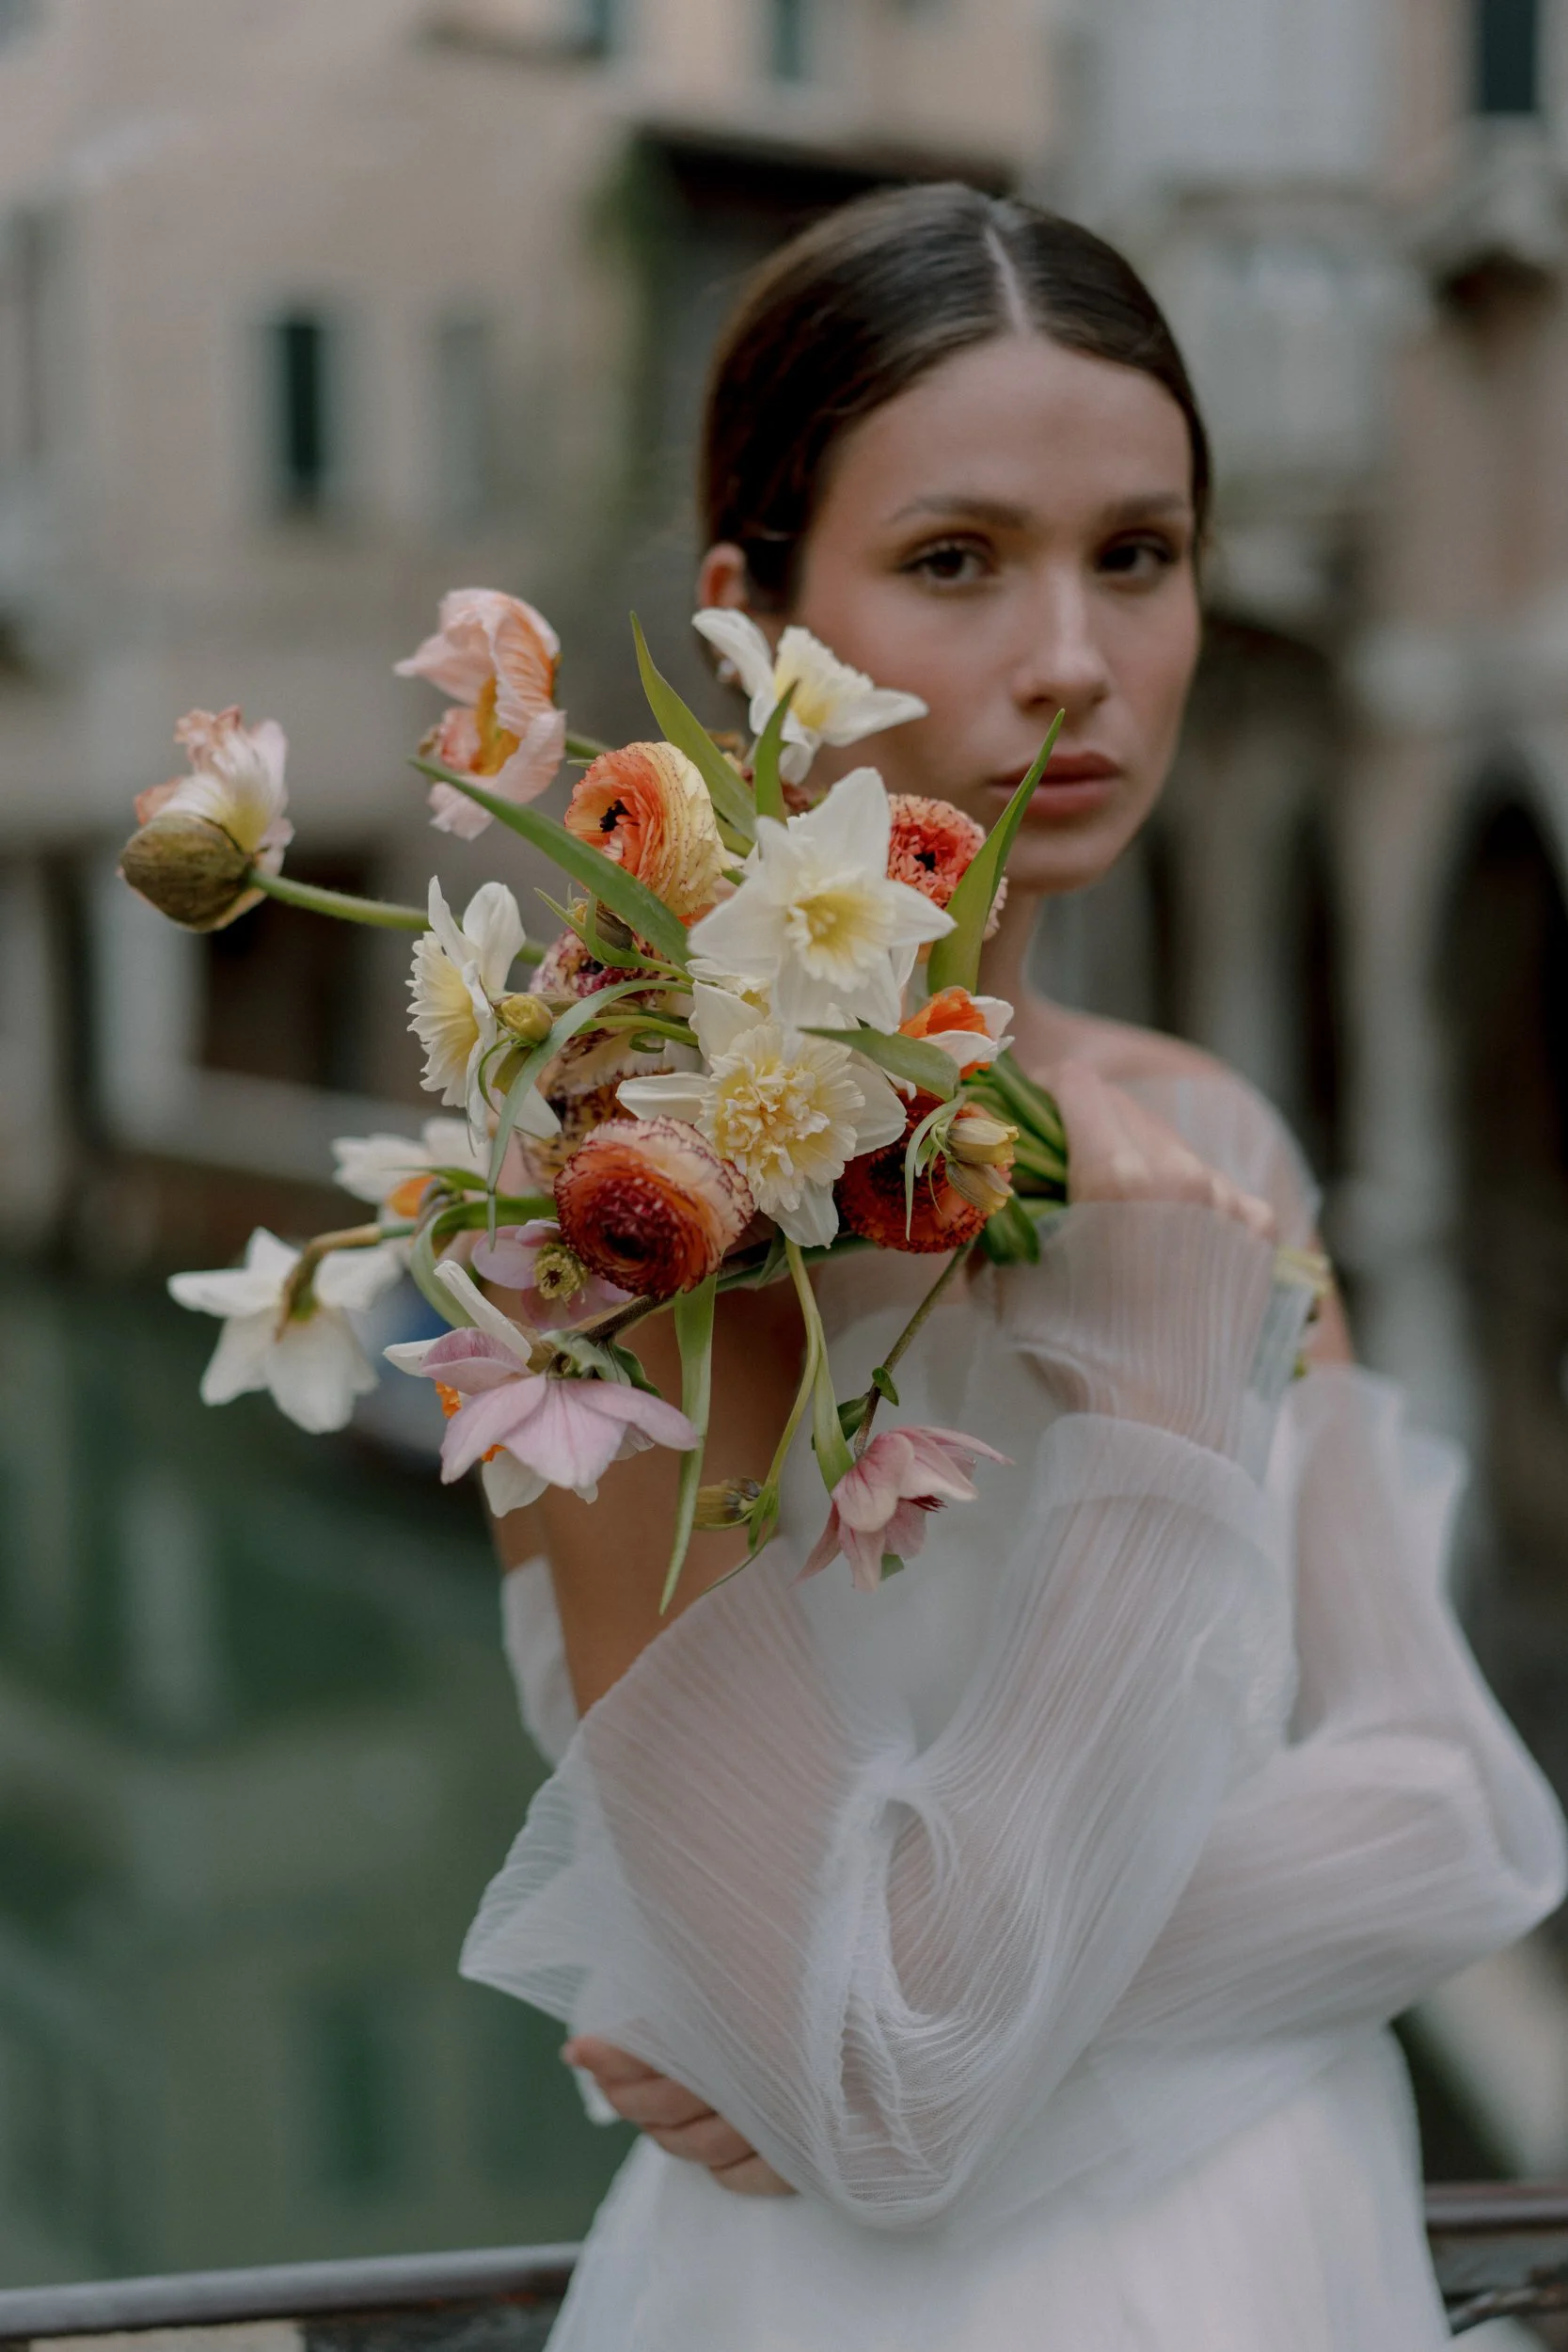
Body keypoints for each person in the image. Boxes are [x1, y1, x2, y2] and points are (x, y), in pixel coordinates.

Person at [471, 183, 1567, 2349]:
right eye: (955, 560)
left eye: (1134, 556)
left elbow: (1452, 1825)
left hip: (1286, 2254)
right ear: (743, 613)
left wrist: (859, 2004)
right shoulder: (630, 1208)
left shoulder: (1208, 1131)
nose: (1070, 654)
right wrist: (1155, 1369)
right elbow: (887, 2084)